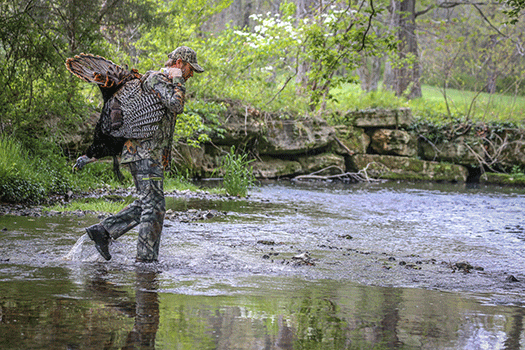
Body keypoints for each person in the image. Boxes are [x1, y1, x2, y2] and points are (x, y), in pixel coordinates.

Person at [85, 46, 204, 262]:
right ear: (179, 63)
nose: (191, 73)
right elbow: (176, 105)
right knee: (154, 207)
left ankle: (103, 231)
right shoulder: (157, 79)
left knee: (146, 203)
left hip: (149, 154)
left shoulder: (163, 81)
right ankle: (146, 261)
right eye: (189, 68)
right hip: (143, 154)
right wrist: (178, 81)